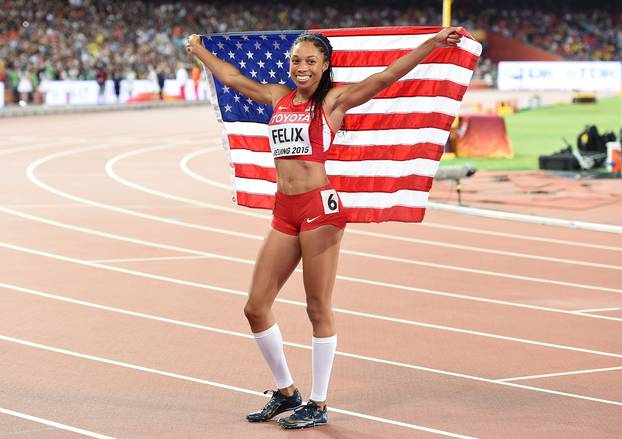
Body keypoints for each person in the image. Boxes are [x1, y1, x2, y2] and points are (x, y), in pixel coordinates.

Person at [186, 27, 461, 430]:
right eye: (297, 60)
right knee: (255, 307)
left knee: (317, 308)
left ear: (325, 66)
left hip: (319, 211)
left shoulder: (333, 101)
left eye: (311, 61)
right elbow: (233, 79)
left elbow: (385, 77)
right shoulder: (279, 97)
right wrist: (198, 51)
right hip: (285, 211)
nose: (301, 67)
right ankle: (286, 392)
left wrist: (432, 44)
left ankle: (318, 402)